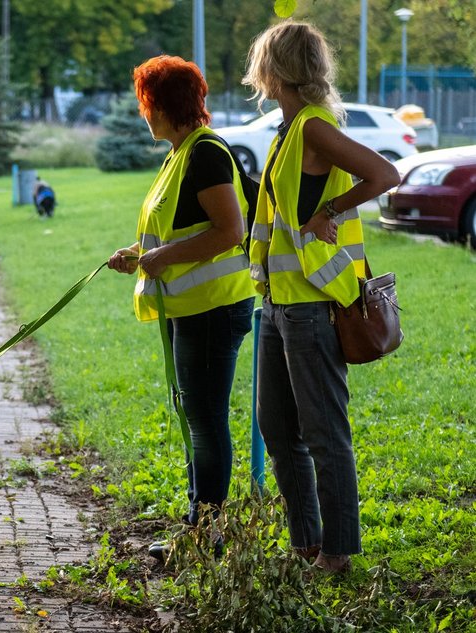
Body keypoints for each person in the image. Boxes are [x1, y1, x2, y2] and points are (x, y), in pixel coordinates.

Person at [242, 22, 399, 573]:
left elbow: (384, 173)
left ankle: (338, 552)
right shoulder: (288, 130)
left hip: (311, 306)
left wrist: (328, 212)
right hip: (276, 304)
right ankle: (305, 544)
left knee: (324, 434)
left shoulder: (311, 126)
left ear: (274, 71)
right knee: (278, 430)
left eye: (261, 62)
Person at [106, 55, 256, 561]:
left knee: (207, 420)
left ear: (161, 104)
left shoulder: (206, 153)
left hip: (213, 310)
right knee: (196, 417)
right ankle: (198, 524)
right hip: (187, 307)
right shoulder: (180, 153)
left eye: (145, 104)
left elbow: (229, 231)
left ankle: (207, 532)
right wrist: (137, 253)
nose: (142, 115)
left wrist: (161, 257)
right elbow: (178, 228)